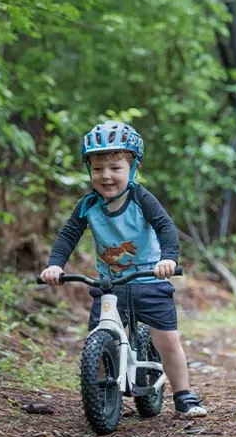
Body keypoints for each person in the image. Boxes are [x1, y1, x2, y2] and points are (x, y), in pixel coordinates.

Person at [39, 120, 208, 418]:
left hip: (149, 278)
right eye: (97, 169)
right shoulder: (88, 205)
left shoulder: (141, 199)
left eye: (115, 168)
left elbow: (165, 227)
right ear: (89, 171)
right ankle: (102, 391)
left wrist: (167, 258)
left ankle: (184, 394)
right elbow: (68, 236)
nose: (106, 176)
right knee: (98, 338)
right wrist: (55, 265)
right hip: (110, 285)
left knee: (167, 340)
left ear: (133, 169)